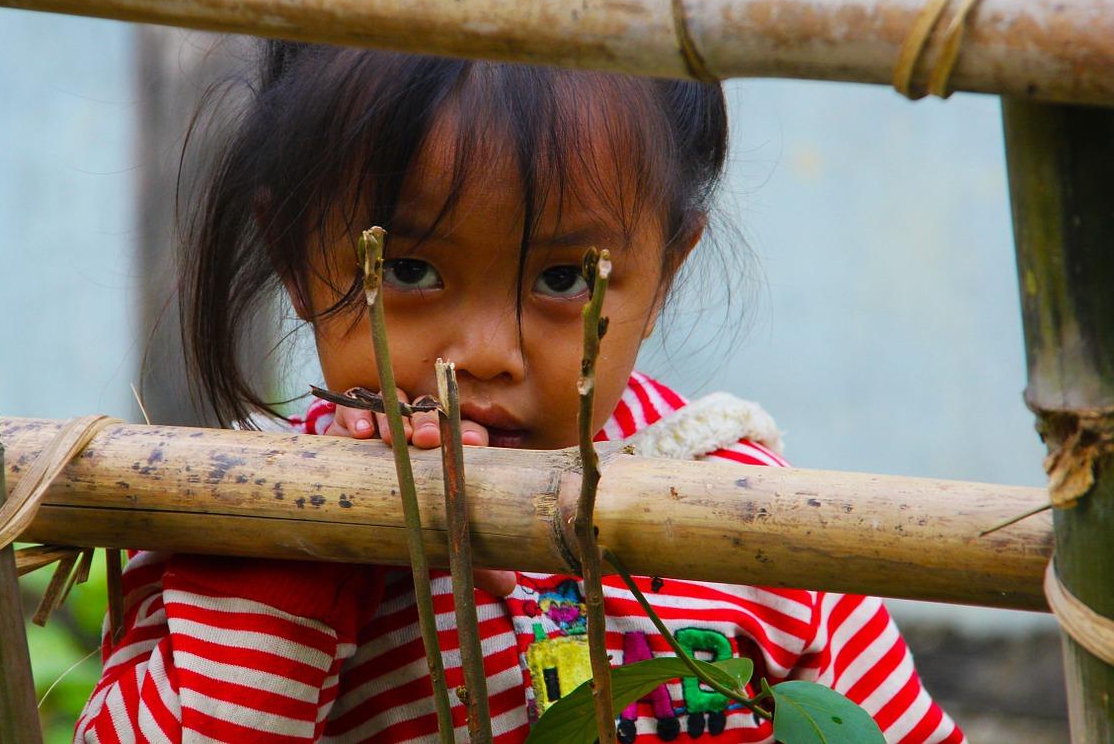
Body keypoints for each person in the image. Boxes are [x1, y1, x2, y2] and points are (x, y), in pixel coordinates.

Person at [75, 44, 962, 744]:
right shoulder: (236, 519)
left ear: (663, 273)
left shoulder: (745, 511)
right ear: (297, 254)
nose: (486, 354)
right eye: (410, 268)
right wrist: (304, 552)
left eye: (567, 278)